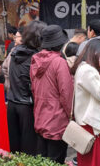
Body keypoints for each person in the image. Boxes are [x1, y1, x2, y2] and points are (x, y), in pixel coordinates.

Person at [30, 25, 73, 164]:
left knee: (42, 160)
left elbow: (34, 88)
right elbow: (66, 94)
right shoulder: (59, 62)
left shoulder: (35, 60)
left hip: (40, 117)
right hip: (57, 121)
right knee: (56, 160)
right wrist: (71, 116)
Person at [71, 39, 100, 166]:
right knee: (92, 160)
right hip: (89, 122)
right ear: (97, 54)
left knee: (92, 159)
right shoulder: (87, 70)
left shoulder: (85, 68)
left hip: (89, 120)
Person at [6, 21, 46, 156]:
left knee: (14, 147)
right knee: (29, 149)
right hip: (27, 106)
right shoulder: (36, 57)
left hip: (12, 102)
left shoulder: (14, 52)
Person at [3, 26, 24, 94]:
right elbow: (5, 68)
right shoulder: (12, 50)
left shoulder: (31, 53)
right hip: (11, 90)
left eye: (17, 37)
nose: (14, 39)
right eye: (15, 37)